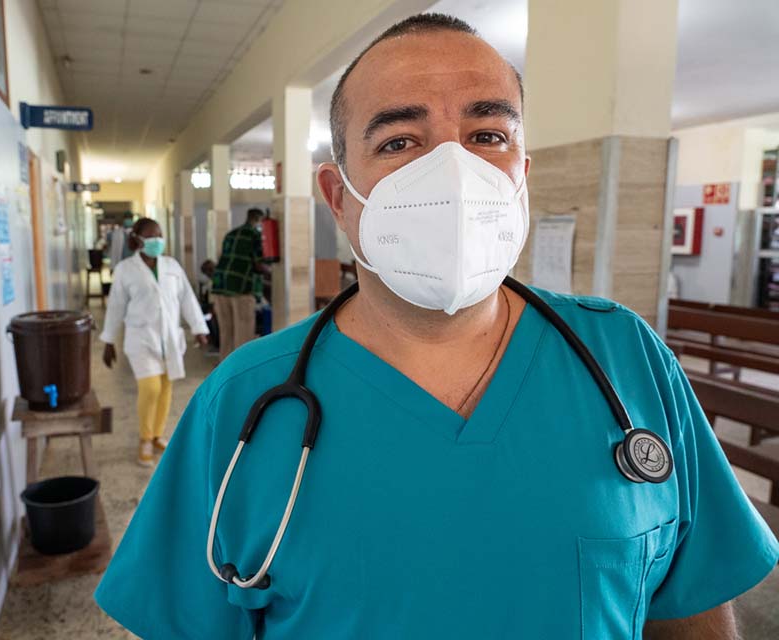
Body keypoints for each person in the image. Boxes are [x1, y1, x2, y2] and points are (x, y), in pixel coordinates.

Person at [95, 14, 778, 638]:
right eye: (399, 140)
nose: (455, 170)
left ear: (522, 174)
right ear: (340, 198)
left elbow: (690, 610)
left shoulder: (626, 358)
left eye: (488, 135)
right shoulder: (242, 403)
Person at [100, 217, 209, 466]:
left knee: (166, 388)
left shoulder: (171, 265)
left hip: (169, 337)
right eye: (151, 236)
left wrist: (198, 328)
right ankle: (145, 438)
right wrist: (108, 341)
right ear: (138, 240)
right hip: (141, 339)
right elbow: (115, 307)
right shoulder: (126, 269)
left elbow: (187, 299)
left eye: (159, 235)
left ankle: (158, 435)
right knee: (150, 389)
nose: (157, 241)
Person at [211, 207, 266, 360]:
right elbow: (258, 264)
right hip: (241, 288)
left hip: (220, 286)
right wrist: (269, 271)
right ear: (258, 220)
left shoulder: (230, 234)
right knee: (243, 334)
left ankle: (225, 370)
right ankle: (241, 371)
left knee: (226, 332)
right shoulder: (255, 235)